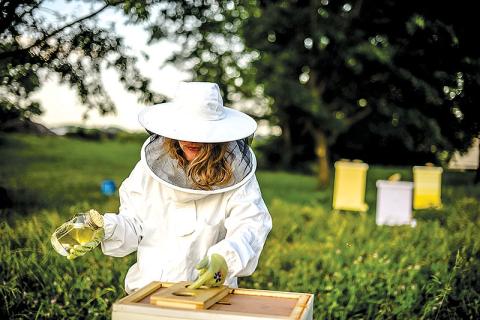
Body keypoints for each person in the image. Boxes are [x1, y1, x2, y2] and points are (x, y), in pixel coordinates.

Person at [63, 82, 272, 293]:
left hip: (207, 291)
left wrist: (225, 258)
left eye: (202, 132)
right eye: (186, 129)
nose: (192, 139)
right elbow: (134, 225)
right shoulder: (148, 171)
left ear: (217, 134)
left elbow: (251, 225)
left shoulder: (237, 177)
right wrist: (103, 228)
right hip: (148, 290)